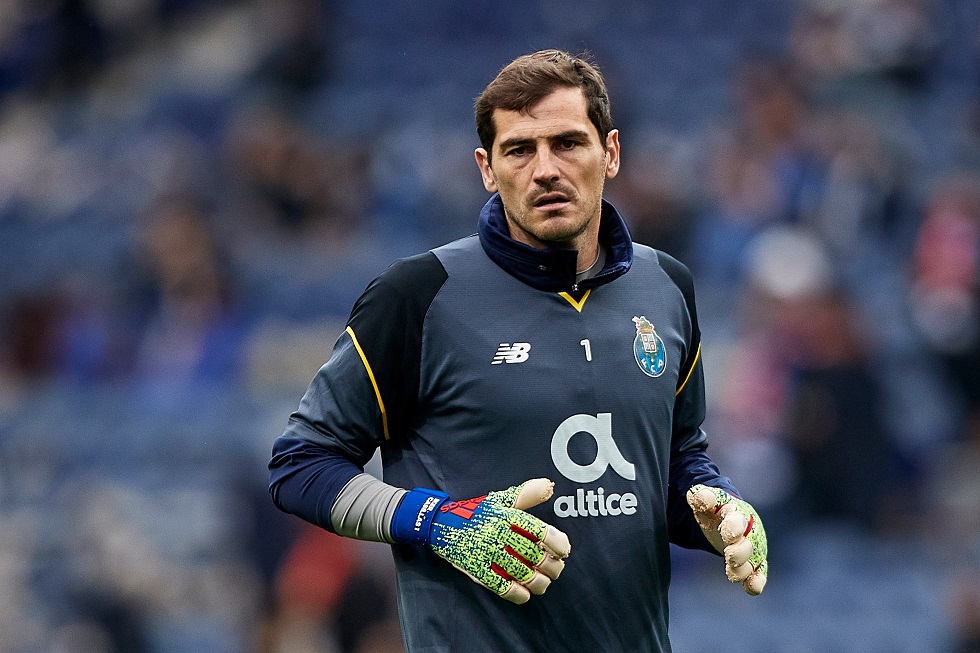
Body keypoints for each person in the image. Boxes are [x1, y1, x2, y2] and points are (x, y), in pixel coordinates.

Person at [269, 49, 768, 653]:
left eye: (568, 143)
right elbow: (301, 464)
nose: (545, 169)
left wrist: (721, 512)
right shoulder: (419, 295)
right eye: (519, 150)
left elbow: (676, 461)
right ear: (487, 168)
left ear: (610, 153)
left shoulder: (666, 287)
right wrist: (440, 523)